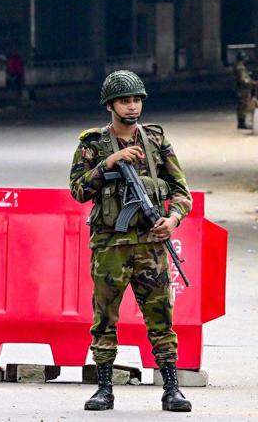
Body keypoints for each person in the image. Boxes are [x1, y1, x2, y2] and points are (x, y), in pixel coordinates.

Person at [69, 70, 193, 412]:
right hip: (110, 246)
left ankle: (171, 388)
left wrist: (173, 219)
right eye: (125, 100)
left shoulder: (155, 140)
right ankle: (104, 388)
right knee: (105, 317)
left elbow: (182, 190)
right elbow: (78, 190)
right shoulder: (93, 143)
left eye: (137, 99)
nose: (133, 106)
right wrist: (108, 163)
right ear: (110, 105)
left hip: (151, 244)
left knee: (161, 317)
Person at [233, 51, 258, 129]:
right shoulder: (240, 67)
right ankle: (241, 123)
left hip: (242, 89)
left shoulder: (238, 66)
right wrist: (254, 83)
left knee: (242, 106)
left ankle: (241, 122)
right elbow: (244, 80)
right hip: (243, 90)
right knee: (243, 106)